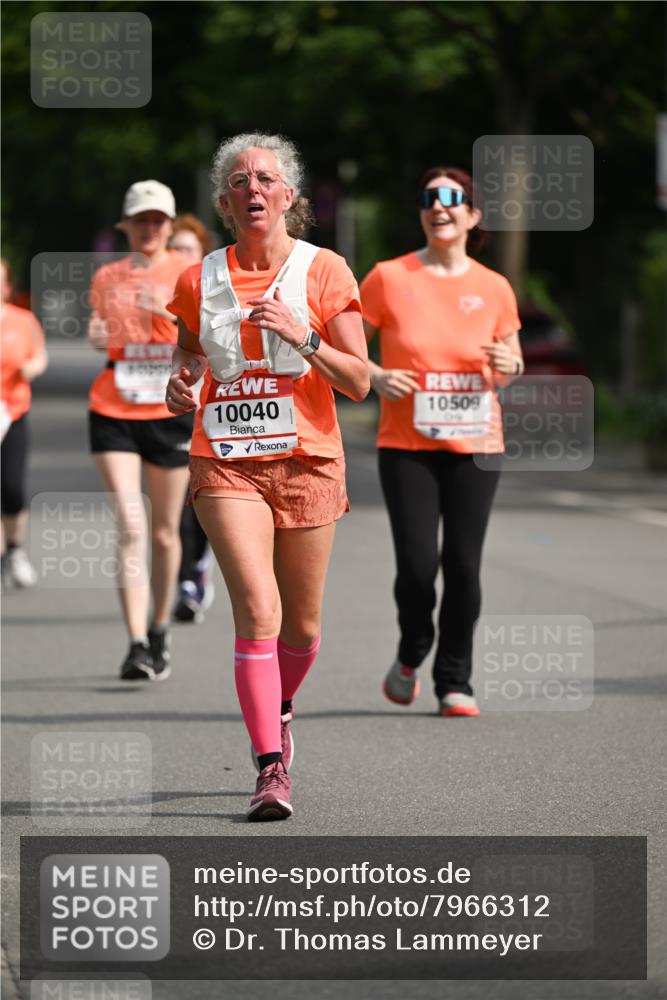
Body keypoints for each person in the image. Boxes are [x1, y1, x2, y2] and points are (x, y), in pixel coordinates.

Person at [165, 132, 369, 821]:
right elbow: (188, 359)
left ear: (288, 197)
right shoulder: (197, 279)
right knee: (259, 611)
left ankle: (280, 706)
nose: (253, 188)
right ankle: (270, 768)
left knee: (301, 627)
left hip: (307, 459)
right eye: (240, 181)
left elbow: (359, 383)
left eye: (266, 179)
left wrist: (303, 337)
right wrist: (181, 385)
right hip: (225, 459)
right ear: (224, 202)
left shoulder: (325, 270)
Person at [360, 166, 524, 717]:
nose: (440, 207)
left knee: (463, 565)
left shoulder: (494, 287)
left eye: (454, 199)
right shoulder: (386, 277)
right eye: (430, 198)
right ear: (422, 211)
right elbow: (348, 356)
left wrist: (510, 365)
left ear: (473, 216)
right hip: (405, 443)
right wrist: (379, 377)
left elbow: (511, 361)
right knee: (415, 568)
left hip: (477, 443)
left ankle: (455, 681)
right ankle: (412, 648)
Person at [87, 180, 193, 681]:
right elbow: (102, 329)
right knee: (131, 526)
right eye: (141, 220)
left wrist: (159, 309)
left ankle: (159, 629)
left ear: (170, 225)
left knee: (166, 532)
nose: (149, 228)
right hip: (115, 408)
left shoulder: (190, 273)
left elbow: (205, 338)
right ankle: (133, 644)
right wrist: (97, 332)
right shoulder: (108, 275)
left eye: (158, 220)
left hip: (170, 411)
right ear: (126, 226)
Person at [168, 215, 216, 623]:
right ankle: (186, 578)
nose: (180, 256)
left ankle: (198, 564)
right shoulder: (148, 288)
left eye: (188, 249)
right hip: (157, 408)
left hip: (208, 409)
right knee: (175, 507)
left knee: (197, 497)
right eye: (175, 248)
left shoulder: (210, 288)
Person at [1, 258, 48, 587]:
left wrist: (33, 368)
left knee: (12, 487)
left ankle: (14, 549)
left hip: (12, 412)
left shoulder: (23, 320)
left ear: (7, 286)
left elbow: (40, 354)